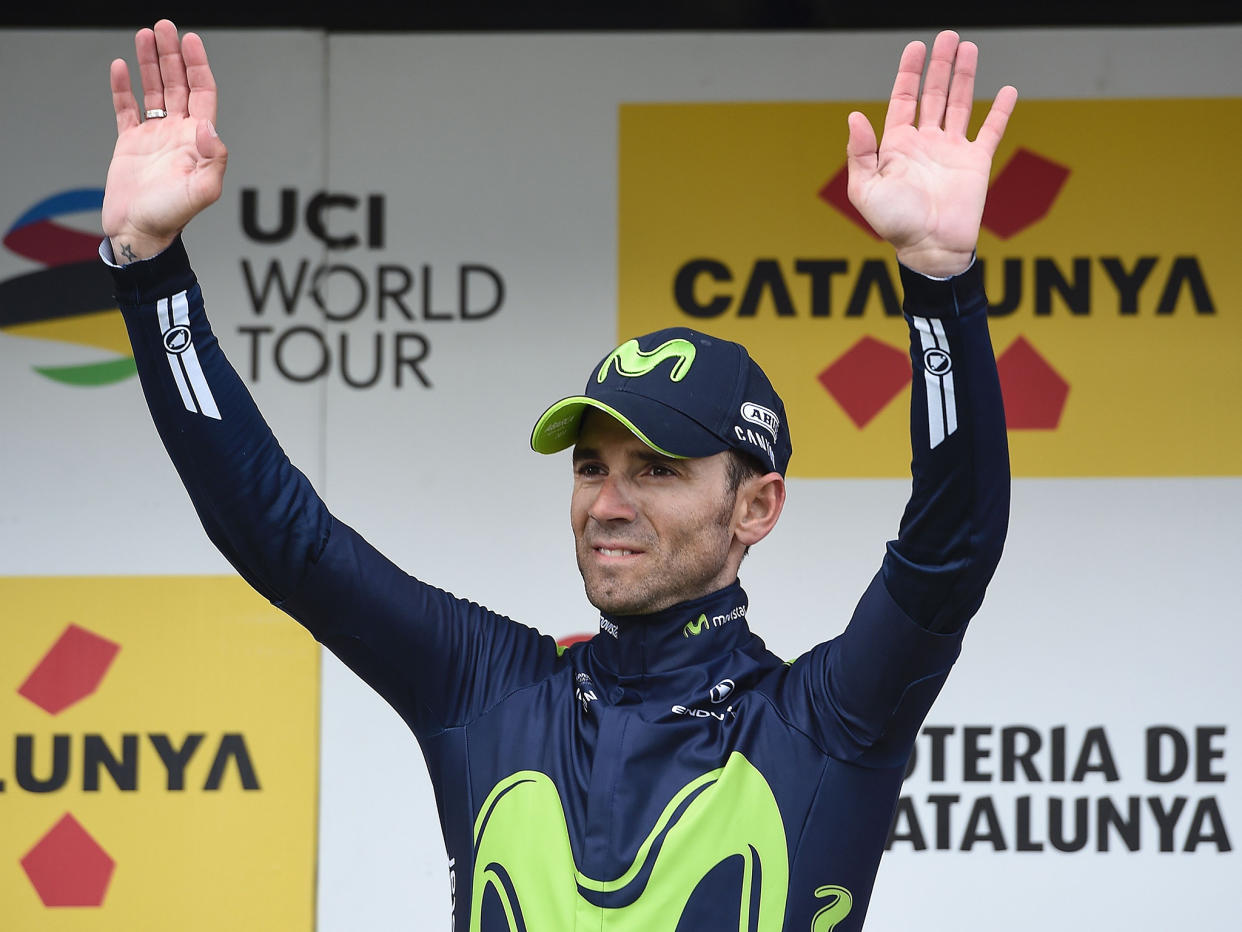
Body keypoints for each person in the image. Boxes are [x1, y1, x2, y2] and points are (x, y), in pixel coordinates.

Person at [103, 20, 1013, 932]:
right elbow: (279, 535)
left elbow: (952, 547)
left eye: (656, 470)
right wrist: (150, 272)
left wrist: (939, 281)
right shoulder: (487, 690)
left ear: (757, 506)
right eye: (590, 467)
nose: (606, 504)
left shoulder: (826, 723)